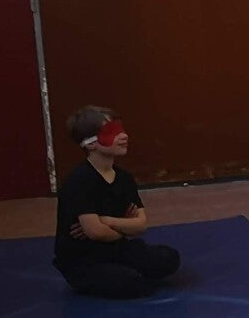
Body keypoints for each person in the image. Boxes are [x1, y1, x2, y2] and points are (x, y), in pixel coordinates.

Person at [53, 106, 181, 298]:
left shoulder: (124, 178)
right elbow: (96, 232)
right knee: (132, 282)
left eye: (121, 129)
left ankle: (125, 270)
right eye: (111, 132)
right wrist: (124, 226)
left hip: (115, 247)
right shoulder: (79, 181)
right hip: (83, 259)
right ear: (91, 144)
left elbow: (141, 225)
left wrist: (106, 221)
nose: (123, 136)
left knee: (169, 258)